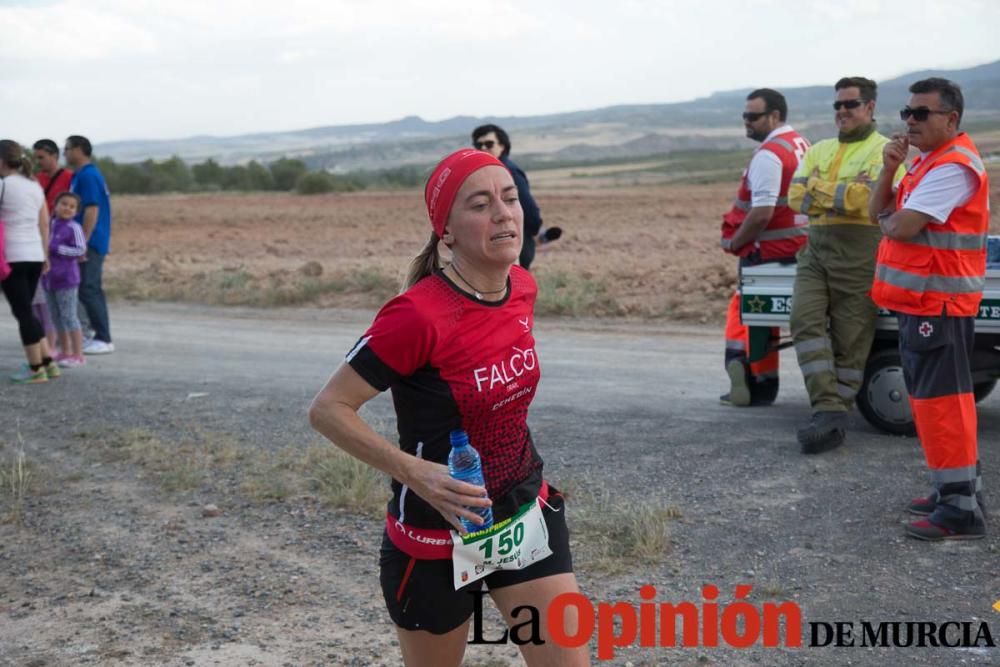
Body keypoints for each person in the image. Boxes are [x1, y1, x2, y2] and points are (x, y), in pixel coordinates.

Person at [309, 149, 589, 667]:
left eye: (510, 198)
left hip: (522, 511)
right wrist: (416, 473)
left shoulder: (522, 287)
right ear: (448, 232)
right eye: (481, 204)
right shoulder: (416, 316)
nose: (504, 213)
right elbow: (329, 409)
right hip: (436, 532)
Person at [869, 78, 989, 541]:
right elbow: (879, 215)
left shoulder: (952, 167)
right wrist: (888, 171)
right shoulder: (923, 164)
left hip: (938, 301)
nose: (910, 121)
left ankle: (961, 507)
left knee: (943, 403)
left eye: (922, 113)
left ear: (951, 119)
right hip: (921, 301)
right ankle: (954, 492)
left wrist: (888, 219)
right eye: (907, 113)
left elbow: (901, 226)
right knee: (930, 399)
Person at [788, 77, 904, 454]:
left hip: (860, 250)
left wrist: (820, 191)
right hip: (816, 248)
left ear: (870, 108)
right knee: (804, 320)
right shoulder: (818, 149)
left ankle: (832, 416)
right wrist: (840, 194)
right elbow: (794, 197)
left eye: (850, 104)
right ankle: (827, 407)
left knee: (851, 338)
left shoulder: (885, 151)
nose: (842, 111)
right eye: (838, 105)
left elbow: (867, 199)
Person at [719, 88, 809, 406]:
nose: (747, 122)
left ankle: (747, 374)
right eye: (744, 116)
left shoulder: (769, 155)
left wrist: (735, 242)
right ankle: (762, 385)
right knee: (763, 318)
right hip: (799, 248)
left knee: (746, 312)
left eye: (753, 116)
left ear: (774, 116)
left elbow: (761, 213)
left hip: (770, 253)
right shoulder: (799, 144)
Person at [0, 140, 59, 384]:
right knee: (27, 309)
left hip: (11, 257)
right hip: (34, 255)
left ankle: (35, 369)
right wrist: (45, 254)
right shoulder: (34, 186)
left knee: (22, 312)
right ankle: (47, 362)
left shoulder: (3, 186)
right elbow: (44, 223)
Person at [471, 124, 560, 270]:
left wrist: (533, 232)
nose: (483, 148)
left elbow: (529, 209)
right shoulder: (492, 171)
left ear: (502, 146)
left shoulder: (509, 172)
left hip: (517, 244)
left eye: (489, 144)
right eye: (478, 145)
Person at [65, 135, 114, 354]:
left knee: (89, 288)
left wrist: (82, 241)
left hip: (91, 242)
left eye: (67, 148)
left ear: (79, 149)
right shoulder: (81, 175)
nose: (64, 153)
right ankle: (95, 334)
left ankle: (104, 338)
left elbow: (92, 209)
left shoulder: (88, 176)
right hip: (87, 240)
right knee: (86, 288)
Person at [42, 192, 88, 367]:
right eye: (64, 204)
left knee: (69, 316)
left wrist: (57, 249)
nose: (67, 208)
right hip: (49, 278)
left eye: (72, 206)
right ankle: (65, 351)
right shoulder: (51, 224)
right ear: (55, 205)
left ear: (76, 211)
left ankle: (78, 354)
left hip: (67, 279)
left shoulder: (74, 228)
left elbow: (80, 250)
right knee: (56, 316)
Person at [33, 139, 74, 212]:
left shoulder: (71, 177)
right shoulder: (36, 179)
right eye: (36, 158)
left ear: (54, 156)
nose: (37, 162)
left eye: (41, 157)